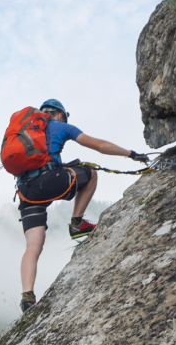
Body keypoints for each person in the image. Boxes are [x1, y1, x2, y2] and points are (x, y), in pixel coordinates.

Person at [16, 99, 148, 313]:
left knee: (33, 246)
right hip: (49, 182)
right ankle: (77, 222)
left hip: (25, 191)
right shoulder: (61, 126)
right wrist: (131, 154)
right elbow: (100, 146)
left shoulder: (26, 132)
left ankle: (27, 297)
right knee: (90, 173)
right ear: (60, 114)